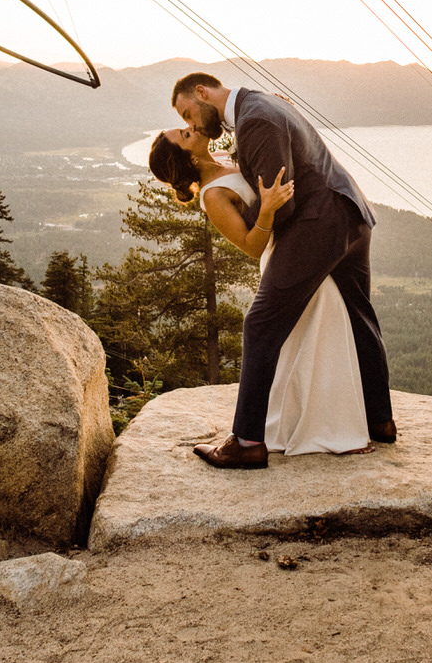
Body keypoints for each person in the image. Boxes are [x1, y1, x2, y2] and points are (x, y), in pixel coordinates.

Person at [168, 72, 396, 469]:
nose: (192, 124)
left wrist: (258, 211)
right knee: (360, 314)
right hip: (350, 212)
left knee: (260, 323)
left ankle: (248, 441)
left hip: (319, 223)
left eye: (189, 113)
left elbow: (283, 201)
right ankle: (380, 419)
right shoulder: (261, 105)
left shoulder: (255, 119)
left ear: (202, 93)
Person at [149, 126, 372, 457]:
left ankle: (335, 426)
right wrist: (267, 209)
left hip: (304, 249)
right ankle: (314, 430)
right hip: (283, 257)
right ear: (190, 156)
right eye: (184, 133)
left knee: (323, 334)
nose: (191, 127)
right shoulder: (213, 195)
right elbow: (250, 245)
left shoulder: (227, 156)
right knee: (302, 341)